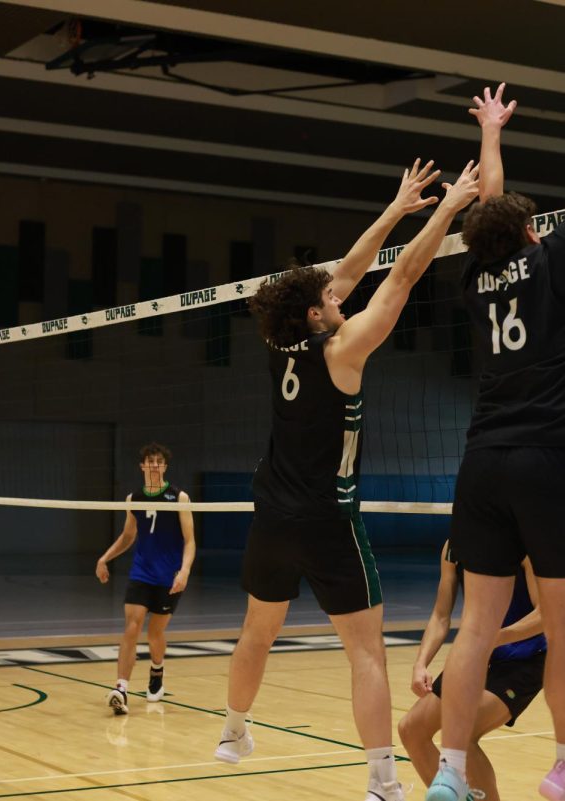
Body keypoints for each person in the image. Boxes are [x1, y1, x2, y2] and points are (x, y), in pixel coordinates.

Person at [214, 158, 480, 801]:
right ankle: (383, 784)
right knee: (365, 653)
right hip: (329, 521)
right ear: (315, 315)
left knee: (257, 630)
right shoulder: (345, 347)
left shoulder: (282, 342)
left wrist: (395, 208)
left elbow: (347, 273)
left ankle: (232, 733)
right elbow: (406, 275)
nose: (340, 295)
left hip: (272, 513)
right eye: (329, 300)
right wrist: (448, 210)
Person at [426, 85, 565, 801]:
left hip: (481, 458)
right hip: (551, 456)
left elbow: (489, 200)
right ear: (529, 235)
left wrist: (490, 130)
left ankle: (450, 772)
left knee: (475, 628)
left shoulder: (476, 276)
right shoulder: (558, 262)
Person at [398, 542, 544, 801]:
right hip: (476, 655)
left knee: (463, 734)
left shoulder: (522, 542)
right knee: (412, 730)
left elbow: (546, 614)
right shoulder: (453, 547)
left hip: (525, 658)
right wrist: (420, 664)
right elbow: (441, 616)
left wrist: (497, 638)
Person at [96, 442, 195, 714]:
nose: (154, 465)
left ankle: (157, 672)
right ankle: (121, 688)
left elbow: (190, 541)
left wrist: (184, 570)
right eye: (149, 461)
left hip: (169, 575)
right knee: (132, 625)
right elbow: (129, 536)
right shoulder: (134, 498)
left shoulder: (179, 498)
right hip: (142, 573)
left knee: (155, 633)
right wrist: (105, 558)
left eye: (159, 461)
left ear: (165, 466)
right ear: (142, 466)